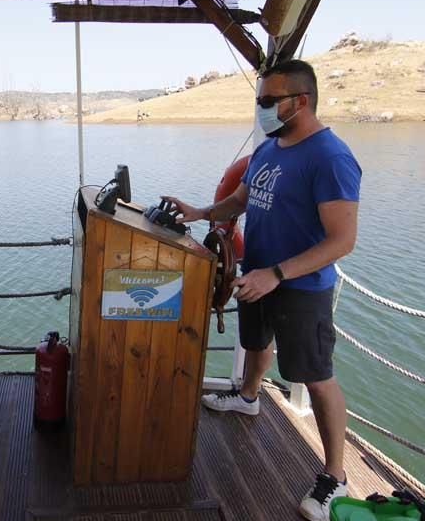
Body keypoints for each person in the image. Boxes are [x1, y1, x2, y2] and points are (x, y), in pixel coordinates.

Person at [162, 59, 361, 521]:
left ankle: (335, 476)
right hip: (257, 274)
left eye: (270, 101)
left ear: (301, 101)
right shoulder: (270, 148)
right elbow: (240, 200)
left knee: (315, 375)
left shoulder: (330, 158)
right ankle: (249, 396)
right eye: (259, 101)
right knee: (255, 342)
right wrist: (198, 213)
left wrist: (277, 273)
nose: (263, 109)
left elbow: (342, 240)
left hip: (300, 286)